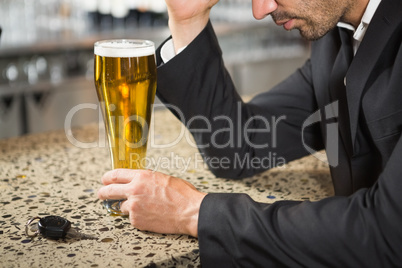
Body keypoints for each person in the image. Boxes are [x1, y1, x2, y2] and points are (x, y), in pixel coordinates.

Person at [97, 0, 402, 266]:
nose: (261, 10)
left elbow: (387, 235)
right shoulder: (336, 39)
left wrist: (194, 213)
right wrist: (187, 19)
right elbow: (241, 145)